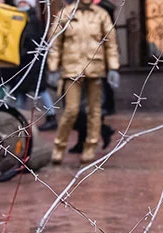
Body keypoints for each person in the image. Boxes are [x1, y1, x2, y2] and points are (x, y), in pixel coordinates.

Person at [46, 0, 118, 166]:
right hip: (72, 69)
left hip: (95, 68)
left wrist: (113, 67)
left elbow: (111, 43)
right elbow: (55, 44)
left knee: (95, 111)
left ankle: (90, 147)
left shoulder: (101, 14)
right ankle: (59, 146)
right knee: (71, 110)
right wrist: (53, 68)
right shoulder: (65, 14)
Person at [4, 0, 56, 131]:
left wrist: (20, 54)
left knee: (37, 90)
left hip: (30, 62)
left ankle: (21, 118)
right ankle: (20, 118)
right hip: (30, 61)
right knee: (27, 91)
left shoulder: (28, 19)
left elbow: (28, 41)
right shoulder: (30, 18)